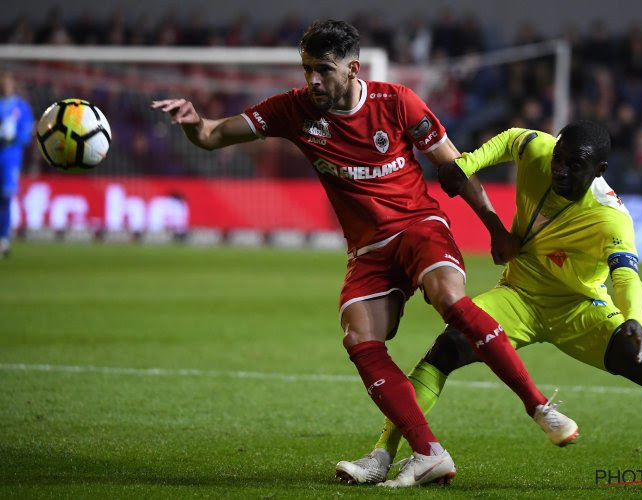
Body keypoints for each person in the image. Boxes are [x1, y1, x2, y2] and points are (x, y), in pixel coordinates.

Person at [152, 20, 576, 489]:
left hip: (419, 227)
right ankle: (428, 452)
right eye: (307, 69)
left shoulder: (397, 102)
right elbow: (214, 134)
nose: (312, 80)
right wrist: (194, 124)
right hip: (369, 251)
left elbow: (454, 168)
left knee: (451, 301)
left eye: (323, 70)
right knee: (359, 339)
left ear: (353, 68)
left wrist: (495, 228)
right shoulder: (292, 110)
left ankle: (539, 406)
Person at [337, 121, 642, 491]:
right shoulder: (538, 151)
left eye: (575, 166)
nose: (561, 171)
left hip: (580, 309)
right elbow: (512, 139)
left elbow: (625, 275)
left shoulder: (611, 218)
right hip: (518, 296)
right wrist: (469, 163)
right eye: (560, 160)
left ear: (600, 171)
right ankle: (382, 455)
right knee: (444, 350)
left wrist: (634, 322)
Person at [0, 71, 33, 258]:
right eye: (3, 82)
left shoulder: (22, 107)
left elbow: (27, 134)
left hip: (10, 157)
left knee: (5, 197)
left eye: (8, 82)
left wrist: (13, 137)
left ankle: (4, 239)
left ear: (13, 84)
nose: (5, 85)